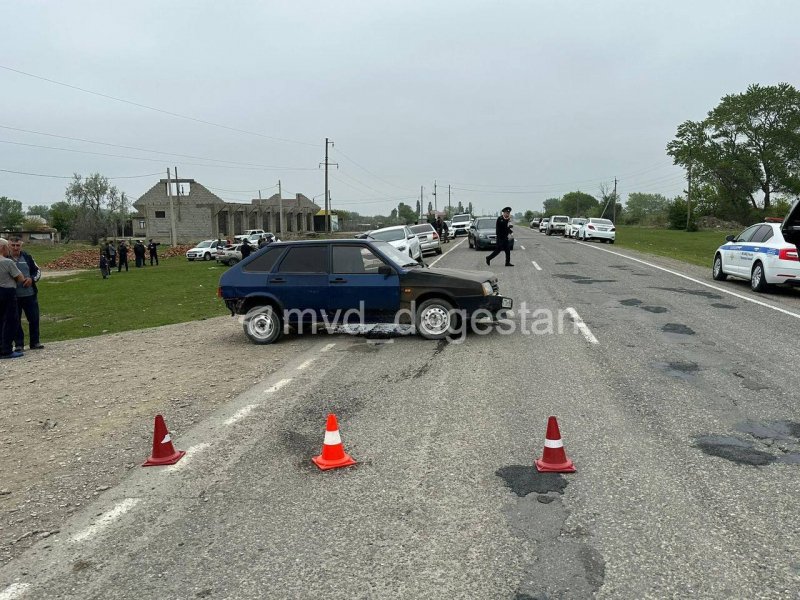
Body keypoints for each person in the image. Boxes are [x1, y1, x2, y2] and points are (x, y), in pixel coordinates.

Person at [9, 237, 43, 351]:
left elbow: (37, 271)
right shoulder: (5, 258)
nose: (15, 248)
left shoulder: (27, 257)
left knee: (34, 319)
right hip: (13, 296)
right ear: (9, 245)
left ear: (21, 246)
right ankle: (19, 344)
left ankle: (35, 342)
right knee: (15, 320)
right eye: (13, 245)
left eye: (17, 245)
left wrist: (31, 279)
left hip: (30, 294)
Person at [0, 238, 26, 359]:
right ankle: (6, 350)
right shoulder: (7, 262)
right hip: (7, 291)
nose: (9, 250)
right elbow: (20, 277)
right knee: (10, 320)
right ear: (2, 248)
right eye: (7, 247)